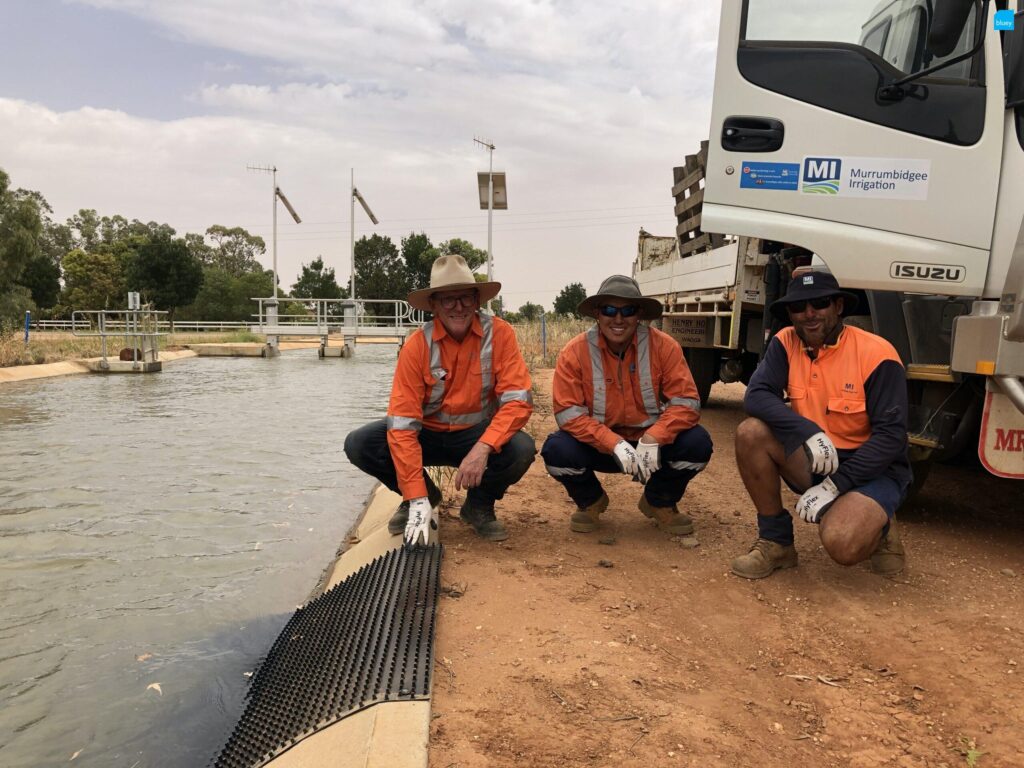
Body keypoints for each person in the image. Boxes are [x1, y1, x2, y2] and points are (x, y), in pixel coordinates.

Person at [343, 254, 536, 546]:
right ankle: (421, 498)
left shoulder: (500, 334)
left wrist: (483, 448)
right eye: (448, 300)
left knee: (521, 449)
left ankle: (478, 506)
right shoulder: (417, 346)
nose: (458, 307)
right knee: (360, 444)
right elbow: (404, 423)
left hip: (476, 435)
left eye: (465, 298)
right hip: (427, 436)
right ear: (434, 305)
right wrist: (416, 494)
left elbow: (517, 401)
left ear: (476, 300)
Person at [731, 270, 910, 579]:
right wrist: (807, 431)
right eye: (799, 307)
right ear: (790, 313)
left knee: (842, 543)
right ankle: (777, 543)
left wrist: (836, 485)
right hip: (818, 456)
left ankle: (880, 525)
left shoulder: (877, 353)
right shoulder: (785, 342)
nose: (809, 314)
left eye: (820, 303)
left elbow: (891, 437)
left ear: (838, 306)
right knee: (751, 433)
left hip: (873, 468)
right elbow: (756, 395)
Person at [540, 275, 713, 535]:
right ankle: (590, 501)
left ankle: (659, 501)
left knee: (697, 444)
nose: (618, 319)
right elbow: (568, 414)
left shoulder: (664, 347)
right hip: (602, 447)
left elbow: (687, 403)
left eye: (627, 310)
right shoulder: (574, 352)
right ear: (598, 314)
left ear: (639, 314)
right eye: (609, 310)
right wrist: (614, 443)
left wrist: (655, 437)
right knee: (556, 451)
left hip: (650, 447)